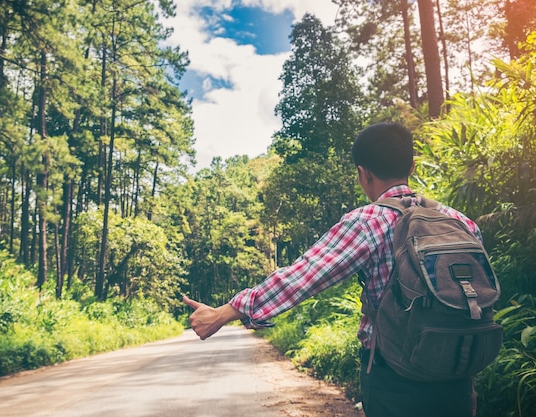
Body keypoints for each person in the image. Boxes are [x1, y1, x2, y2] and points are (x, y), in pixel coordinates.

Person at [183, 123, 479, 417]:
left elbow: (303, 276)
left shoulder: (367, 222)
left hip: (397, 379)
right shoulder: (461, 222)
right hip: (460, 371)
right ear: (412, 167)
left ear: (363, 174)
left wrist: (225, 312)